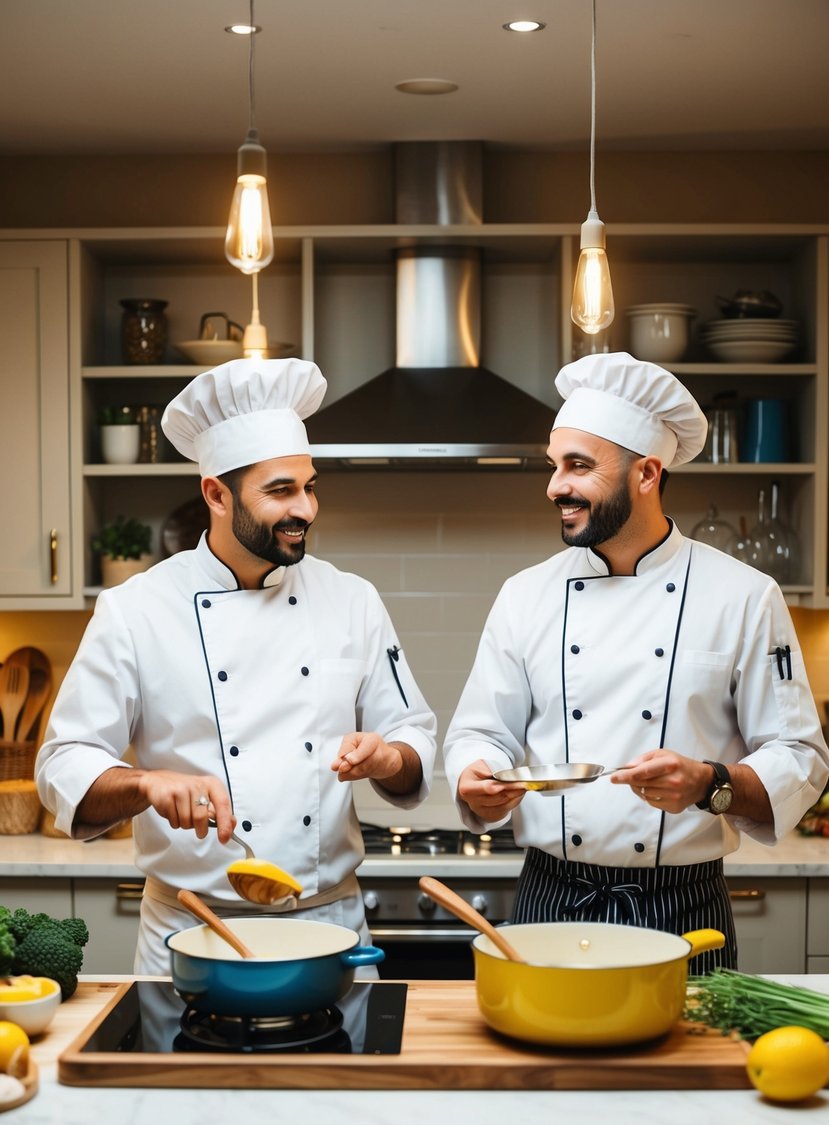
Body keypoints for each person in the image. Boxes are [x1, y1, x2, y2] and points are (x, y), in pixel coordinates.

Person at [36, 358, 437, 975]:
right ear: (216, 495)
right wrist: (145, 784)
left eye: (310, 486)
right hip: (194, 935)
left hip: (330, 928)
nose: (305, 507)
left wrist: (388, 758)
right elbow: (62, 764)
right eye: (280, 491)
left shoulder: (351, 599)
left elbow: (412, 738)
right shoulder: (136, 610)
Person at [443, 351, 829, 970]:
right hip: (550, 896)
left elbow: (799, 757)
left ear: (646, 473)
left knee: (687, 1068)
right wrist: (478, 775)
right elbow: (480, 730)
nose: (554, 486)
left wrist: (711, 784)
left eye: (578, 466)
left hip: (684, 904)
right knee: (547, 1067)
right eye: (553, 466)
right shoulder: (526, 594)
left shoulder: (743, 595)